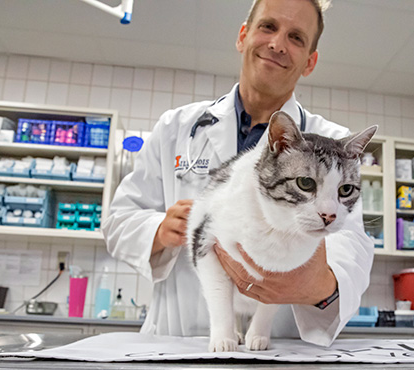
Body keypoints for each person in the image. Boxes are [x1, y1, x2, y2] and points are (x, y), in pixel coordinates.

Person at [102, 0, 373, 347]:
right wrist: (160, 230)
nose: (277, 44)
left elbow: (353, 245)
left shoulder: (334, 145)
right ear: (243, 35)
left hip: (281, 349)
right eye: (268, 27)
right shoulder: (176, 128)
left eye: (296, 37)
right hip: (179, 340)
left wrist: (319, 284)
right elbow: (118, 220)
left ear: (310, 62)